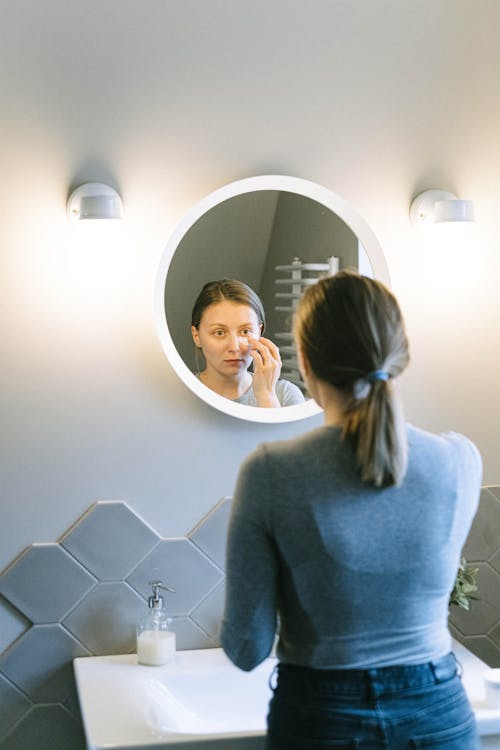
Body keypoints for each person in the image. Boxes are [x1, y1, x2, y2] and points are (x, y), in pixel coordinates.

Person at [220, 270, 482, 749]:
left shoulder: (271, 472)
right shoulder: (459, 460)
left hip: (323, 721)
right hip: (439, 716)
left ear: (304, 359)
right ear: (399, 354)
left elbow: (246, 649)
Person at [191, 278, 304, 407]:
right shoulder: (180, 395)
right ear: (196, 336)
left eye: (245, 332)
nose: (234, 347)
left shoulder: (285, 395)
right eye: (220, 332)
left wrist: (266, 394)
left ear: (259, 332)